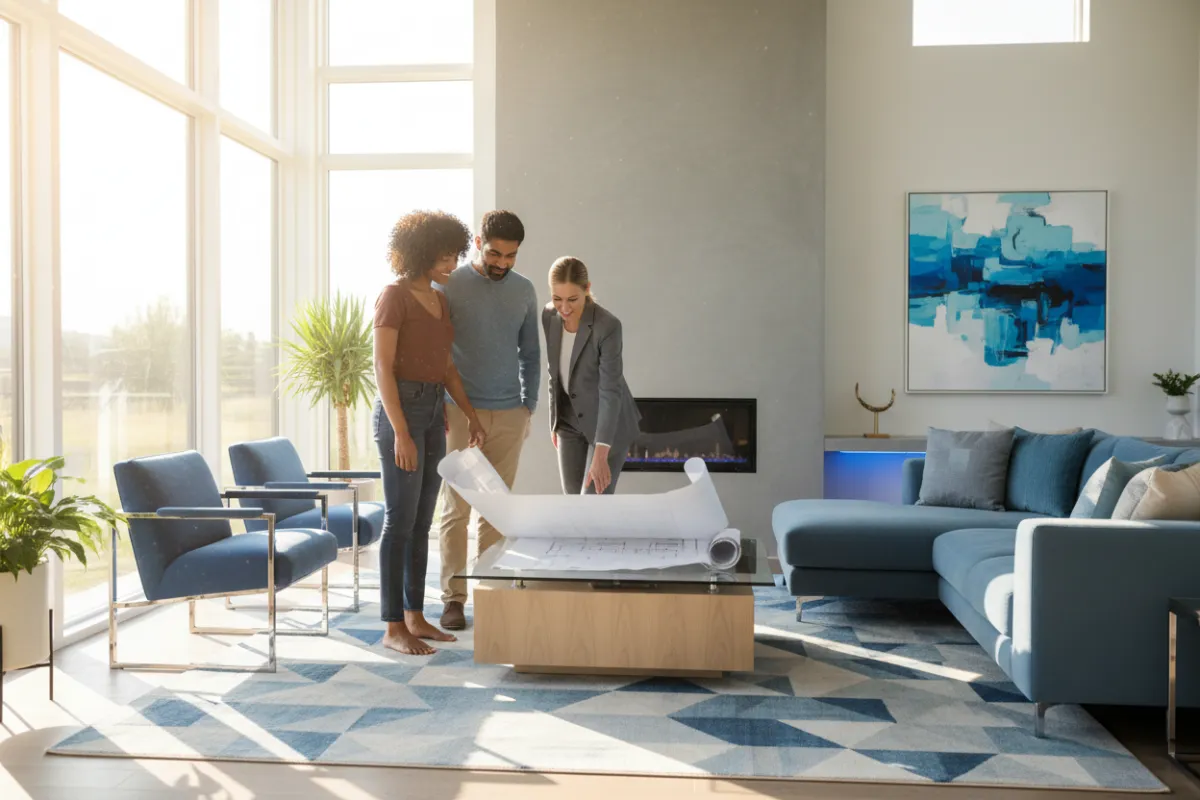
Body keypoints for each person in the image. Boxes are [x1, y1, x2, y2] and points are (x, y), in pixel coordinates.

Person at [372, 209, 485, 656]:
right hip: (400, 412)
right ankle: (392, 625)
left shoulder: (440, 299)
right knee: (398, 521)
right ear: (418, 253)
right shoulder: (393, 296)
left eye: (454, 255)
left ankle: (415, 616)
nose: (451, 265)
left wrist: (471, 415)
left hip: (434, 410)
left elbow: (447, 367)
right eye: (442, 257)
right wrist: (400, 431)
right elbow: (382, 366)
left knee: (422, 523)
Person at [434, 210, 540, 631]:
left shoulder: (525, 291)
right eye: (495, 253)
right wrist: (446, 405)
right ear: (478, 242)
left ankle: (492, 594)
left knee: (497, 510)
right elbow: (439, 349)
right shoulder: (451, 284)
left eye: (510, 256)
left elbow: (531, 354)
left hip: (510, 412)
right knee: (456, 509)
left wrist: (527, 406)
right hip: (461, 412)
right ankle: (453, 597)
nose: (502, 263)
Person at [542, 256, 641, 495]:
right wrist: (554, 422)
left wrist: (601, 451)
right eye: (557, 299)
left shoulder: (607, 326)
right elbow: (553, 371)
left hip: (607, 423)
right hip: (569, 421)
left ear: (587, 289)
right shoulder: (549, 316)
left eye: (572, 299)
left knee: (593, 508)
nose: (564, 308)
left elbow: (610, 389)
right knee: (573, 507)